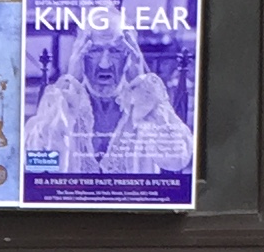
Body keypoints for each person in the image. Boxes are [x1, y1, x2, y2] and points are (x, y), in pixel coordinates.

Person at [24, 22, 193, 175]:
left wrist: (142, 82)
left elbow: (177, 160)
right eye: (95, 50)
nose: (104, 64)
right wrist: (69, 85)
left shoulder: (146, 101)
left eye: (116, 51)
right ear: (80, 55)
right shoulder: (62, 101)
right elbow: (37, 164)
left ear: (130, 56)